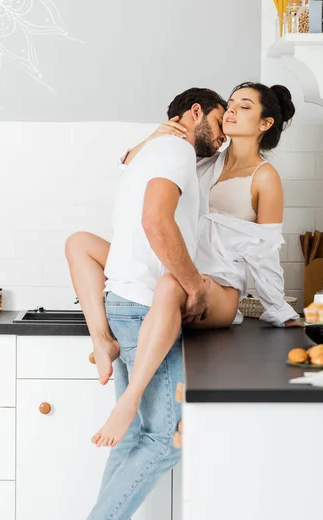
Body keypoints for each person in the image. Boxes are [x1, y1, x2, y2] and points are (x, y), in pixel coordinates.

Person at [68, 87, 227, 520]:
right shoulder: (176, 151)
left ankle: (101, 340)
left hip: (120, 305)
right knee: (163, 441)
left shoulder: (151, 152)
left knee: (140, 439)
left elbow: (127, 164)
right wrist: (194, 286)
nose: (223, 137)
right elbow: (155, 222)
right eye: (217, 123)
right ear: (195, 112)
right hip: (145, 309)